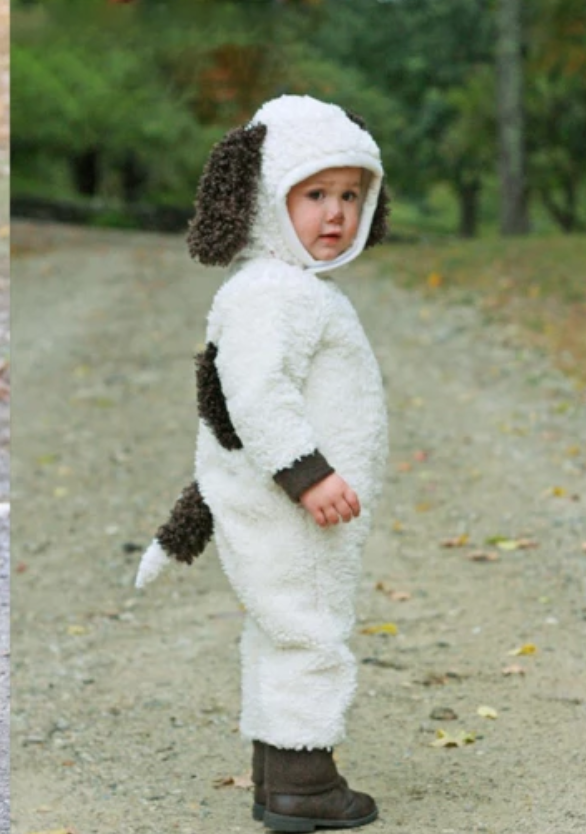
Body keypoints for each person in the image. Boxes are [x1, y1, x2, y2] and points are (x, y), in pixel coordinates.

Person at [135, 94, 391, 832]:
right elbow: (252, 394)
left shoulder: (290, 288)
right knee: (308, 629)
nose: (336, 212)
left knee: (287, 625)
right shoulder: (271, 294)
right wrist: (307, 475)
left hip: (296, 504)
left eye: (350, 194)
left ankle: (279, 776)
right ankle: (303, 788)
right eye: (314, 194)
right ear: (264, 197)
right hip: (291, 504)